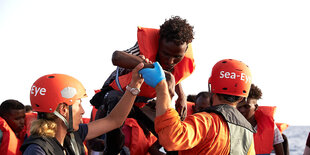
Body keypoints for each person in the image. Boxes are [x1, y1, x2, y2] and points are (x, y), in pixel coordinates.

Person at [90, 15, 194, 154]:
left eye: (177, 57)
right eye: (166, 54)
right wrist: (146, 65)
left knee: (171, 130)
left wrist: (181, 96)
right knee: (113, 100)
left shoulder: (176, 59)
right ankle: (112, 151)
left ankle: (162, 149)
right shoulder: (141, 50)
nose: (170, 61)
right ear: (158, 43)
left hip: (143, 104)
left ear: (185, 50)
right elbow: (116, 56)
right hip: (121, 96)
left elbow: (173, 74)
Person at [20, 63, 145, 155]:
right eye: (78, 104)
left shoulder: (73, 134)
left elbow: (114, 120)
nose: (83, 111)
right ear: (63, 110)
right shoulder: (37, 151)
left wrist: (135, 86)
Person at [140, 59, 256, 154]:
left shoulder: (206, 121)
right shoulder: (248, 135)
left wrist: (161, 87)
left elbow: (171, 138)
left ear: (211, 87)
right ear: (242, 98)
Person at [237, 84, 285, 155]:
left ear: (256, 107)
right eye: (239, 106)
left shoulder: (270, 126)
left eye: (246, 106)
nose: (242, 110)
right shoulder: (231, 126)